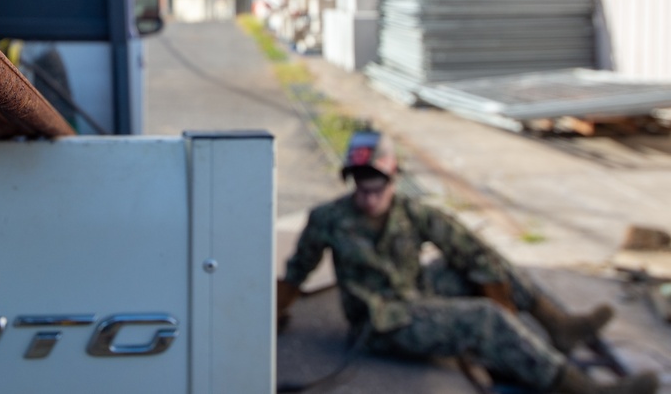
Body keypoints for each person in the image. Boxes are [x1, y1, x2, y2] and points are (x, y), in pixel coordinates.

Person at [277, 130, 659, 394]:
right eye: (360, 187)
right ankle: (582, 389)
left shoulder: (412, 212)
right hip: (381, 320)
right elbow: (298, 270)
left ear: (393, 179)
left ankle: (557, 325)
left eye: (377, 187)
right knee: (484, 319)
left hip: (413, 293)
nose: (368, 198)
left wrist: (493, 282)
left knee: (486, 265)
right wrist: (273, 315)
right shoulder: (328, 218)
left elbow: (467, 246)